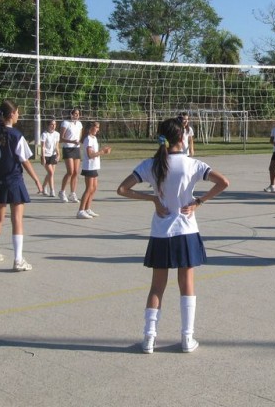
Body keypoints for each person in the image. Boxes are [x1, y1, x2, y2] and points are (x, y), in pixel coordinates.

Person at [116, 118, 229, 354]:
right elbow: (223, 182)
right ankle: (187, 338)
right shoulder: (192, 164)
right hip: (186, 230)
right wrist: (198, 202)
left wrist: (153, 199)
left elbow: (122, 189)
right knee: (187, 284)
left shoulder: (151, 164)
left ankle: (149, 339)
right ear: (182, 138)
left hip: (161, 232)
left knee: (157, 287)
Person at [0, 100, 43, 272]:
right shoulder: (16, 135)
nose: (19, 115)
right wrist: (37, 179)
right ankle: (18, 260)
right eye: (18, 112)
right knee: (17, 219)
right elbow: (24, 160)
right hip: (13, 180)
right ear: (12, 114)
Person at [77, 121, 112, 219]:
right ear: (90, 128)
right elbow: (90, 155)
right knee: (89, 188)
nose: (98, 129)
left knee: (94, 188)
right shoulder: (88, 139)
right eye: (96, 127)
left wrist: (103, 152)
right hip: (89, 166)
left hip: (94, 166)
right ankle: (80, 210)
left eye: (98, 127)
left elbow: (95, 153)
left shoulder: (94, 138)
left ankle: (87, 209)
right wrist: (102, 151)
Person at [59, 107, 83, 203]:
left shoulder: (79, 124)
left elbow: (79, 136)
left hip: (76, 148)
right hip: (67, 148)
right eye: (75, 114)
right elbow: (61, 138)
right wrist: (71, 141)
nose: (77, 115)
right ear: (71, 114)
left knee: (76, 172)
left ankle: (72, 193)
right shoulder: (65, 123)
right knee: (70, 171)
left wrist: (78, 141)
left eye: (78, 114)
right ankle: (62, 192)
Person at [39, 119, 60, 197]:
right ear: (48, 125)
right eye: (52, 124)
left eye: (55, 124)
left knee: (51, 173)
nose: (53, 126)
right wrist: (43, 157)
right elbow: (43, 147)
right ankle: (52, 190)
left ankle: (44, 187)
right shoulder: (44, 134)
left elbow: (57, 146)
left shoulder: (57, 134)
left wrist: (58, 154)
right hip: (46, 155)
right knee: (51, 173)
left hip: (53, 155)